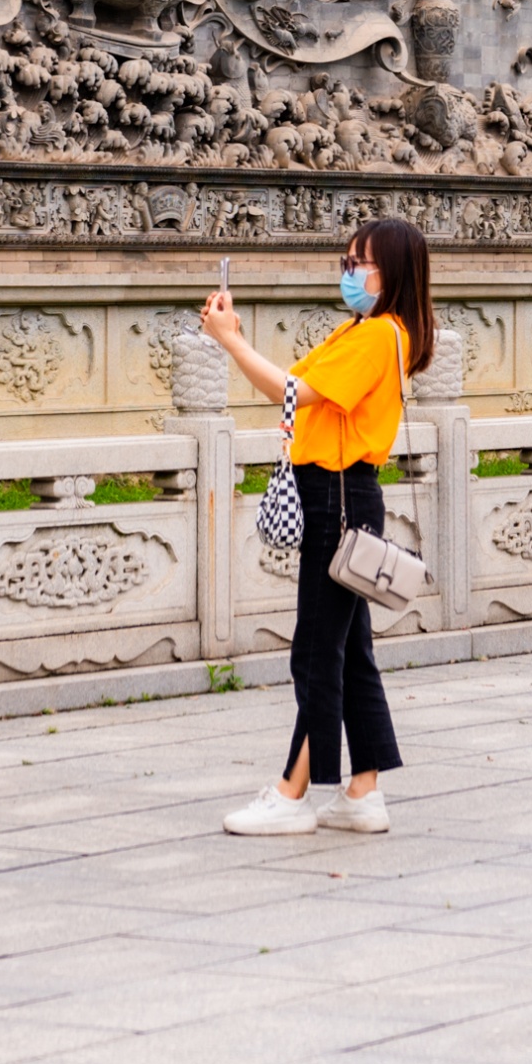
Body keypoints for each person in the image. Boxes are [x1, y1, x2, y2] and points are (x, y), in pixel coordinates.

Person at [197, 218, 432, 836]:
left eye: (360, 264)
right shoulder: (360, 330)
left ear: (392, 273)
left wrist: (230, 342)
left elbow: (291, 394)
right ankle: (363, 792)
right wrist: (235, 336)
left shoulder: (378, 335)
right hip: (339, 494)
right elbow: (293, 388)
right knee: (349, 652)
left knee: (316, 650)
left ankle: (293, 793)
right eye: (345, 261)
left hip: (338, 496)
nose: (348, 273)